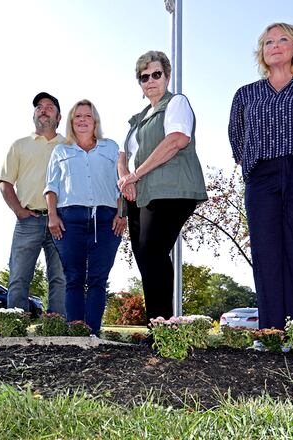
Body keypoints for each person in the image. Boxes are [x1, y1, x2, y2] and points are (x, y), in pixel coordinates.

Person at [228, 23, 293, 329]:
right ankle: (272, 332)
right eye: (268, 42)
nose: (275, 45)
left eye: (282, 39)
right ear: (261, 52)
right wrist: (251, 163)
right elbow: (237, 135)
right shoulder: (246, 94)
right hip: (261, 176)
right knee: (265, 252)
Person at [117, 50, 207, 321]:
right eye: (144, 77)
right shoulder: (138, 118)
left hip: (170, 190)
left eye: (156, 74)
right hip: (140, 194)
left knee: (153, 252)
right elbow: (123, 156)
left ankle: (163, 326)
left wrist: (136, 175)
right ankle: (157, 326)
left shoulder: (176, 103)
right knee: (146, 258)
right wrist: (125, 179)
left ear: (166, 76)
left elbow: (176, 140)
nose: (151, 81)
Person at [45, 99, 127, 336]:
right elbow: (51, 187)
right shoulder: (61, 151)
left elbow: (121, 184)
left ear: (95, 121)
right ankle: (76, 334)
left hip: (106, 219)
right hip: (70, 219)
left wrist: (122, 215)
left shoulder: (110, 148)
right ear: (71, 122)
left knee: (98, 278)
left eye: (87, 116)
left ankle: (92, 334)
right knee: (74, 278)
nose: (82, 120)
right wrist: (52, 216)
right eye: (77, 116)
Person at [0, 92, 67, 315]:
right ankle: (15, 326)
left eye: (49, 107)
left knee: (60, 278)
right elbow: (6, 183)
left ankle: (56, 328)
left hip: (62, 222)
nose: (43, 109)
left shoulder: (69, 146)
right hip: (29, 220)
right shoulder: (19, 145)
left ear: (58, 117)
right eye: (39, 107)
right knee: (19, 276)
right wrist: (19, 211)